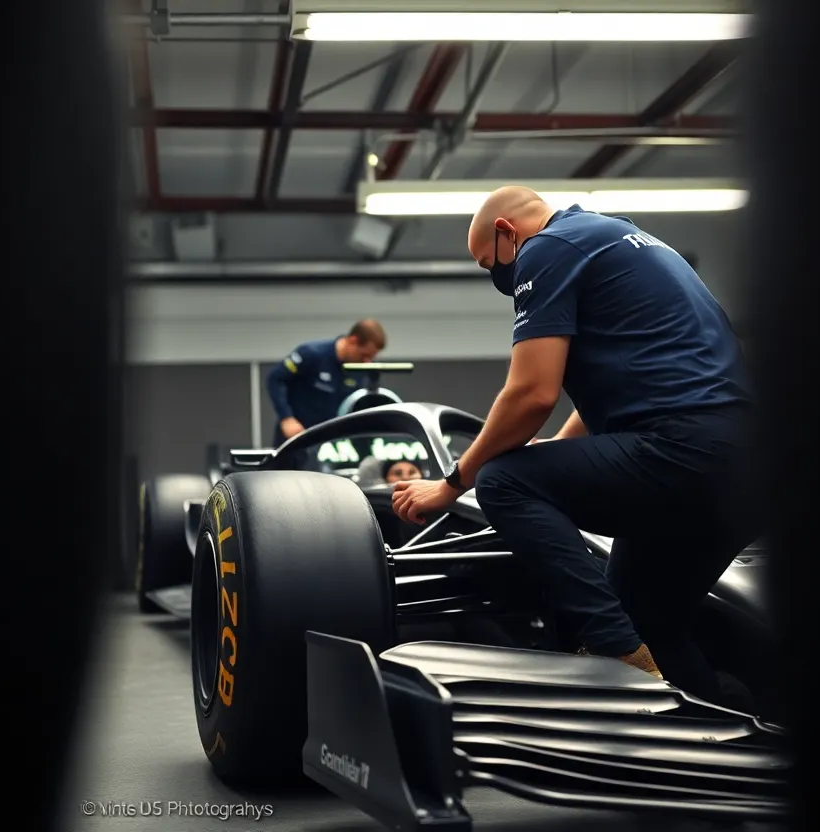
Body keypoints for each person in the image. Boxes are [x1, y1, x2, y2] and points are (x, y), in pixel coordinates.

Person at [391, 186, 759, 704]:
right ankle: (720, 730)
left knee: (501, 480)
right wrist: (557, 451)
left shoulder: (546, 248)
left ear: (506, 233)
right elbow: (628, 380)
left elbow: (531, 394)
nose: (496, 276)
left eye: (489, 264)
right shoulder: (627, 240)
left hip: (681, 451)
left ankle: (614, 651)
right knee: (653, 624)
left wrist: (451, 485)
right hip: (746, 469)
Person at [265, 320, 387, 447]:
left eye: (371, 358)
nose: (367, 362)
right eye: (364, 355)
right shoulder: (311, 353)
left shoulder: (361, 368)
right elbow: (275, 379)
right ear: (353, 340)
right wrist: (286, 418)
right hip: (297, 437)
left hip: (331, 442)